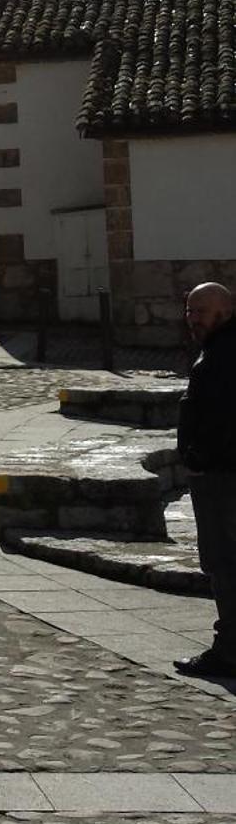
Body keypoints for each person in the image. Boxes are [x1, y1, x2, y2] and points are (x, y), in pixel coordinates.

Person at [173, 281, 236, 680]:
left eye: (200, 311)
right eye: (189, 311)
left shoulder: (223, 357)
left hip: (222, 477)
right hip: (221, 471)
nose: (192, 319)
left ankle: (229, 651)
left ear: (223, 312)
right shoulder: (218, 351)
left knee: (224, 562)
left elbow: (221, 420)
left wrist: (199, 459)